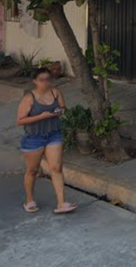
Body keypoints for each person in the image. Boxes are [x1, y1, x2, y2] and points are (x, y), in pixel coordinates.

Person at [16, 67, 76, 214]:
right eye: (42, 80)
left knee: (56, 168)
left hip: (53, 134)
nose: (45, 82)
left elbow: (63, 108)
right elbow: (20, 120)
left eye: (48, 79)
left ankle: (61, 203)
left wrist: (58, 112)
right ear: (35, 81)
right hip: (34, 137)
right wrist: (41, 117)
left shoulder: (55, 92)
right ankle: (29, 200)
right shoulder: (29, 97)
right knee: (32, 170)